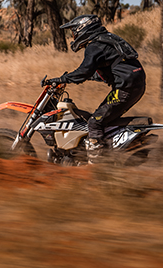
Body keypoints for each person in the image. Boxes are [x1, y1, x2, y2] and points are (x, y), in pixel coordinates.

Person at [41, 14, 146, 163]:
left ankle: (95, 164)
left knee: (94, 122)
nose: (73, 36)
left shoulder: (94, 46)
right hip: (136, 85)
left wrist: (61, 79)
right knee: (105, 119)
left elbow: (84, 71)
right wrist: (74, 78)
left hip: (125, 88)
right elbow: (102, 72)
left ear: (83, 29)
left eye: (74, 32)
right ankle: (109, 153)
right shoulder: (107, 40)